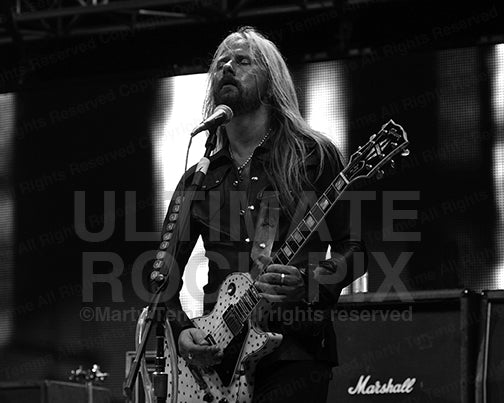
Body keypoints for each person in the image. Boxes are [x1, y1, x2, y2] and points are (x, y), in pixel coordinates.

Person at [158, 26, 366, 403]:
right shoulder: (200, 177)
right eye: (221, 62)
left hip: (295, 349)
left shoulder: (313, 156)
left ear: (270, 82)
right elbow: (163, 277)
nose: (227, 67)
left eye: (242, 61)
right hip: (218, 362)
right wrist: (182, 333)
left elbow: (357, 249)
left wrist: (310, 282)